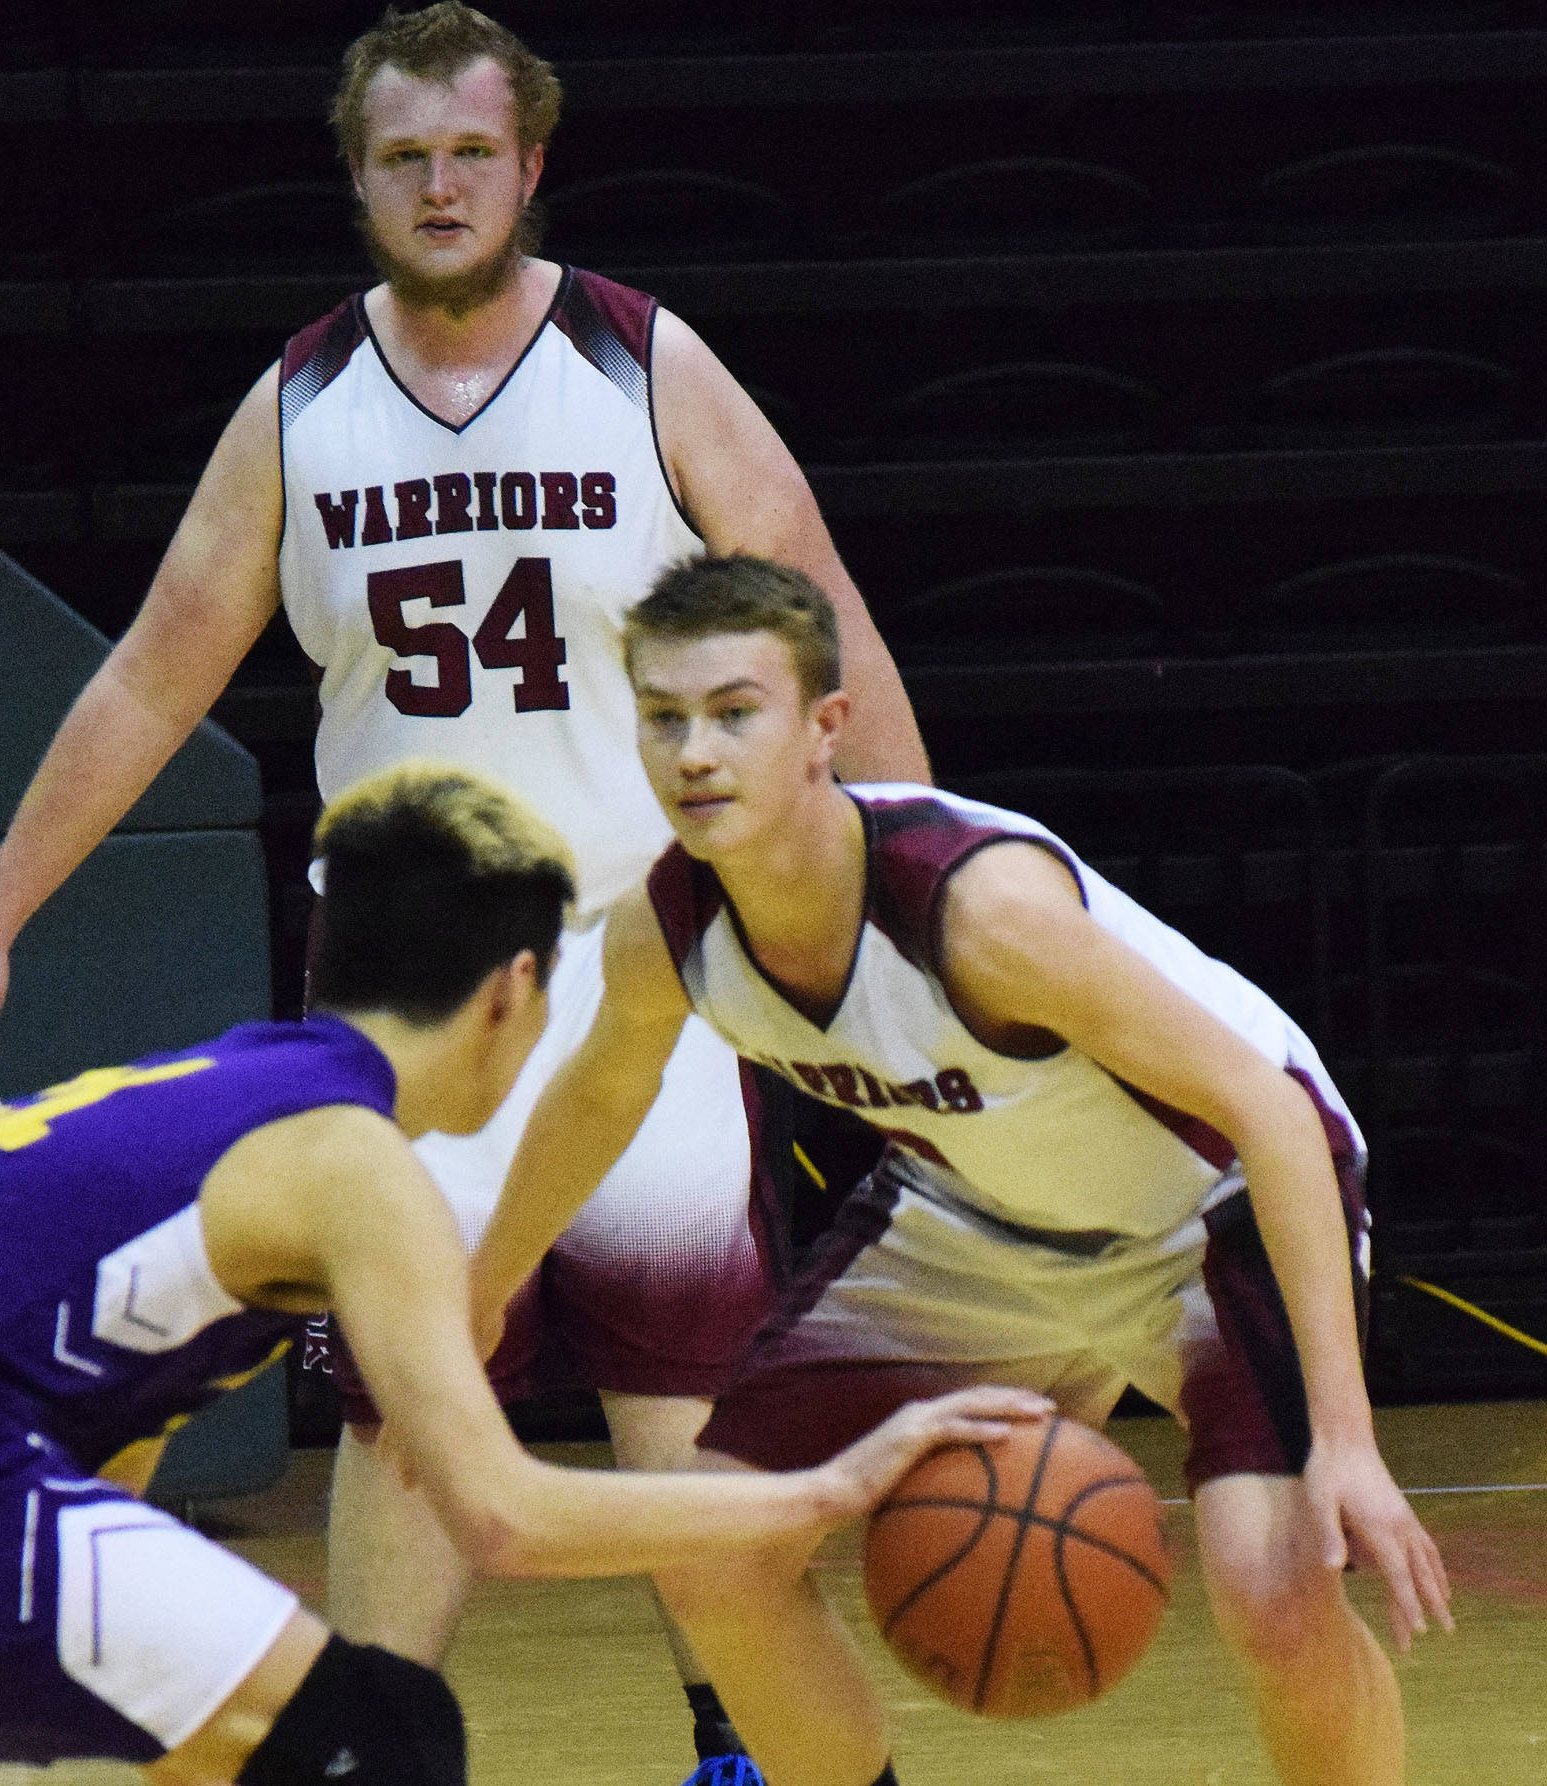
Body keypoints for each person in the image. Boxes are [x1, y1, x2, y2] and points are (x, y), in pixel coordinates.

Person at [0, 7, 927, 1777]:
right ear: (359, 178)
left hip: (647, 961)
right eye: (404, 158)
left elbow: (817, 603)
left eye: (471, 153)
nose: (440, 187)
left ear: (530, 166)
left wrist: (914, 889)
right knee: (401, 1409)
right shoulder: (297, 404)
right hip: (404, 999)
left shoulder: (641, 360)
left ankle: (733, 1741)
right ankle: (371, 1749)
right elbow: (156, 675)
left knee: (678, 1408)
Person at [0, 764, 1044, 1786]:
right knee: (382, 1739)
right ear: (514, 993)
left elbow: (109, 1462)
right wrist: (830, 1489)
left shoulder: (220, 1084)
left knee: (241, 1728)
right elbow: (501, 1513)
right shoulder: (357, 1161)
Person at [468, 557, 1455, 1786]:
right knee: (709, 1545)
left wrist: (1347, 1442)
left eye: (733, 711)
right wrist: (483, 1285)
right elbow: (597, 1098)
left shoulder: (977, 911)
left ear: (825, 726)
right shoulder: (667, 932)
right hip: (978, 1211)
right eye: (663, 717)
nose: (694, 752)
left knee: (1274, 1584)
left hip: (1207, 1205)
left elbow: (1268, 1111)